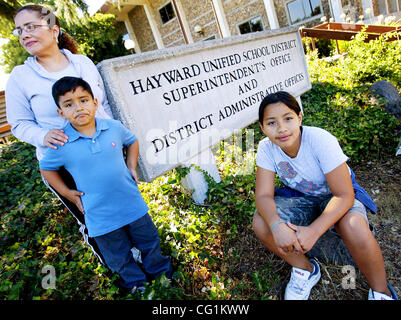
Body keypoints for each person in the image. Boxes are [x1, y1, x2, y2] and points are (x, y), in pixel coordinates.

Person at [252, 91, 398, 300]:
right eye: (272, 122)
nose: (282, 128)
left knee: (353, 226)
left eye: (288, 118)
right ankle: (306, 269)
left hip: (336, 194)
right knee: (261, 222)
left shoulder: (320, 140)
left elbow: (344, 194)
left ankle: (381, 291)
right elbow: (263, 196)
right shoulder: (266, 148)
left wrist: (313, 230)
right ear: (262, 127)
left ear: (300, 117)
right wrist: (276, 225)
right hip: (302, 196)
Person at [39, 76, 172, 292]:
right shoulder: (62, 142)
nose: (78, 108)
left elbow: (132, 141)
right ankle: (136, 284)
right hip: (100, 215)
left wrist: (131, 165)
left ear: (95, 103)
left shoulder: (113, 127)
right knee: (117, 256)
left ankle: (161, 275)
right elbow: (46, 169)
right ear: (60, 113)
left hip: (132, 205)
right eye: (69, 104)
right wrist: (67, 193)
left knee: (149, 241)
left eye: (83, 100)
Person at [5, 4, 113, 263]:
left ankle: (145, 254)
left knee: (121, 205)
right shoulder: (20, 77)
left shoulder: (83, 63)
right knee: (94, 218)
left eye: (31, 27)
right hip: (67, 166)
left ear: (54, 30)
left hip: (105, 151)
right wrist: (42, 136)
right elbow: (19, 124)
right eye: (19, 30)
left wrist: (115, 138)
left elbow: (104, 104)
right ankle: (120, 268)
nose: (24, 35)